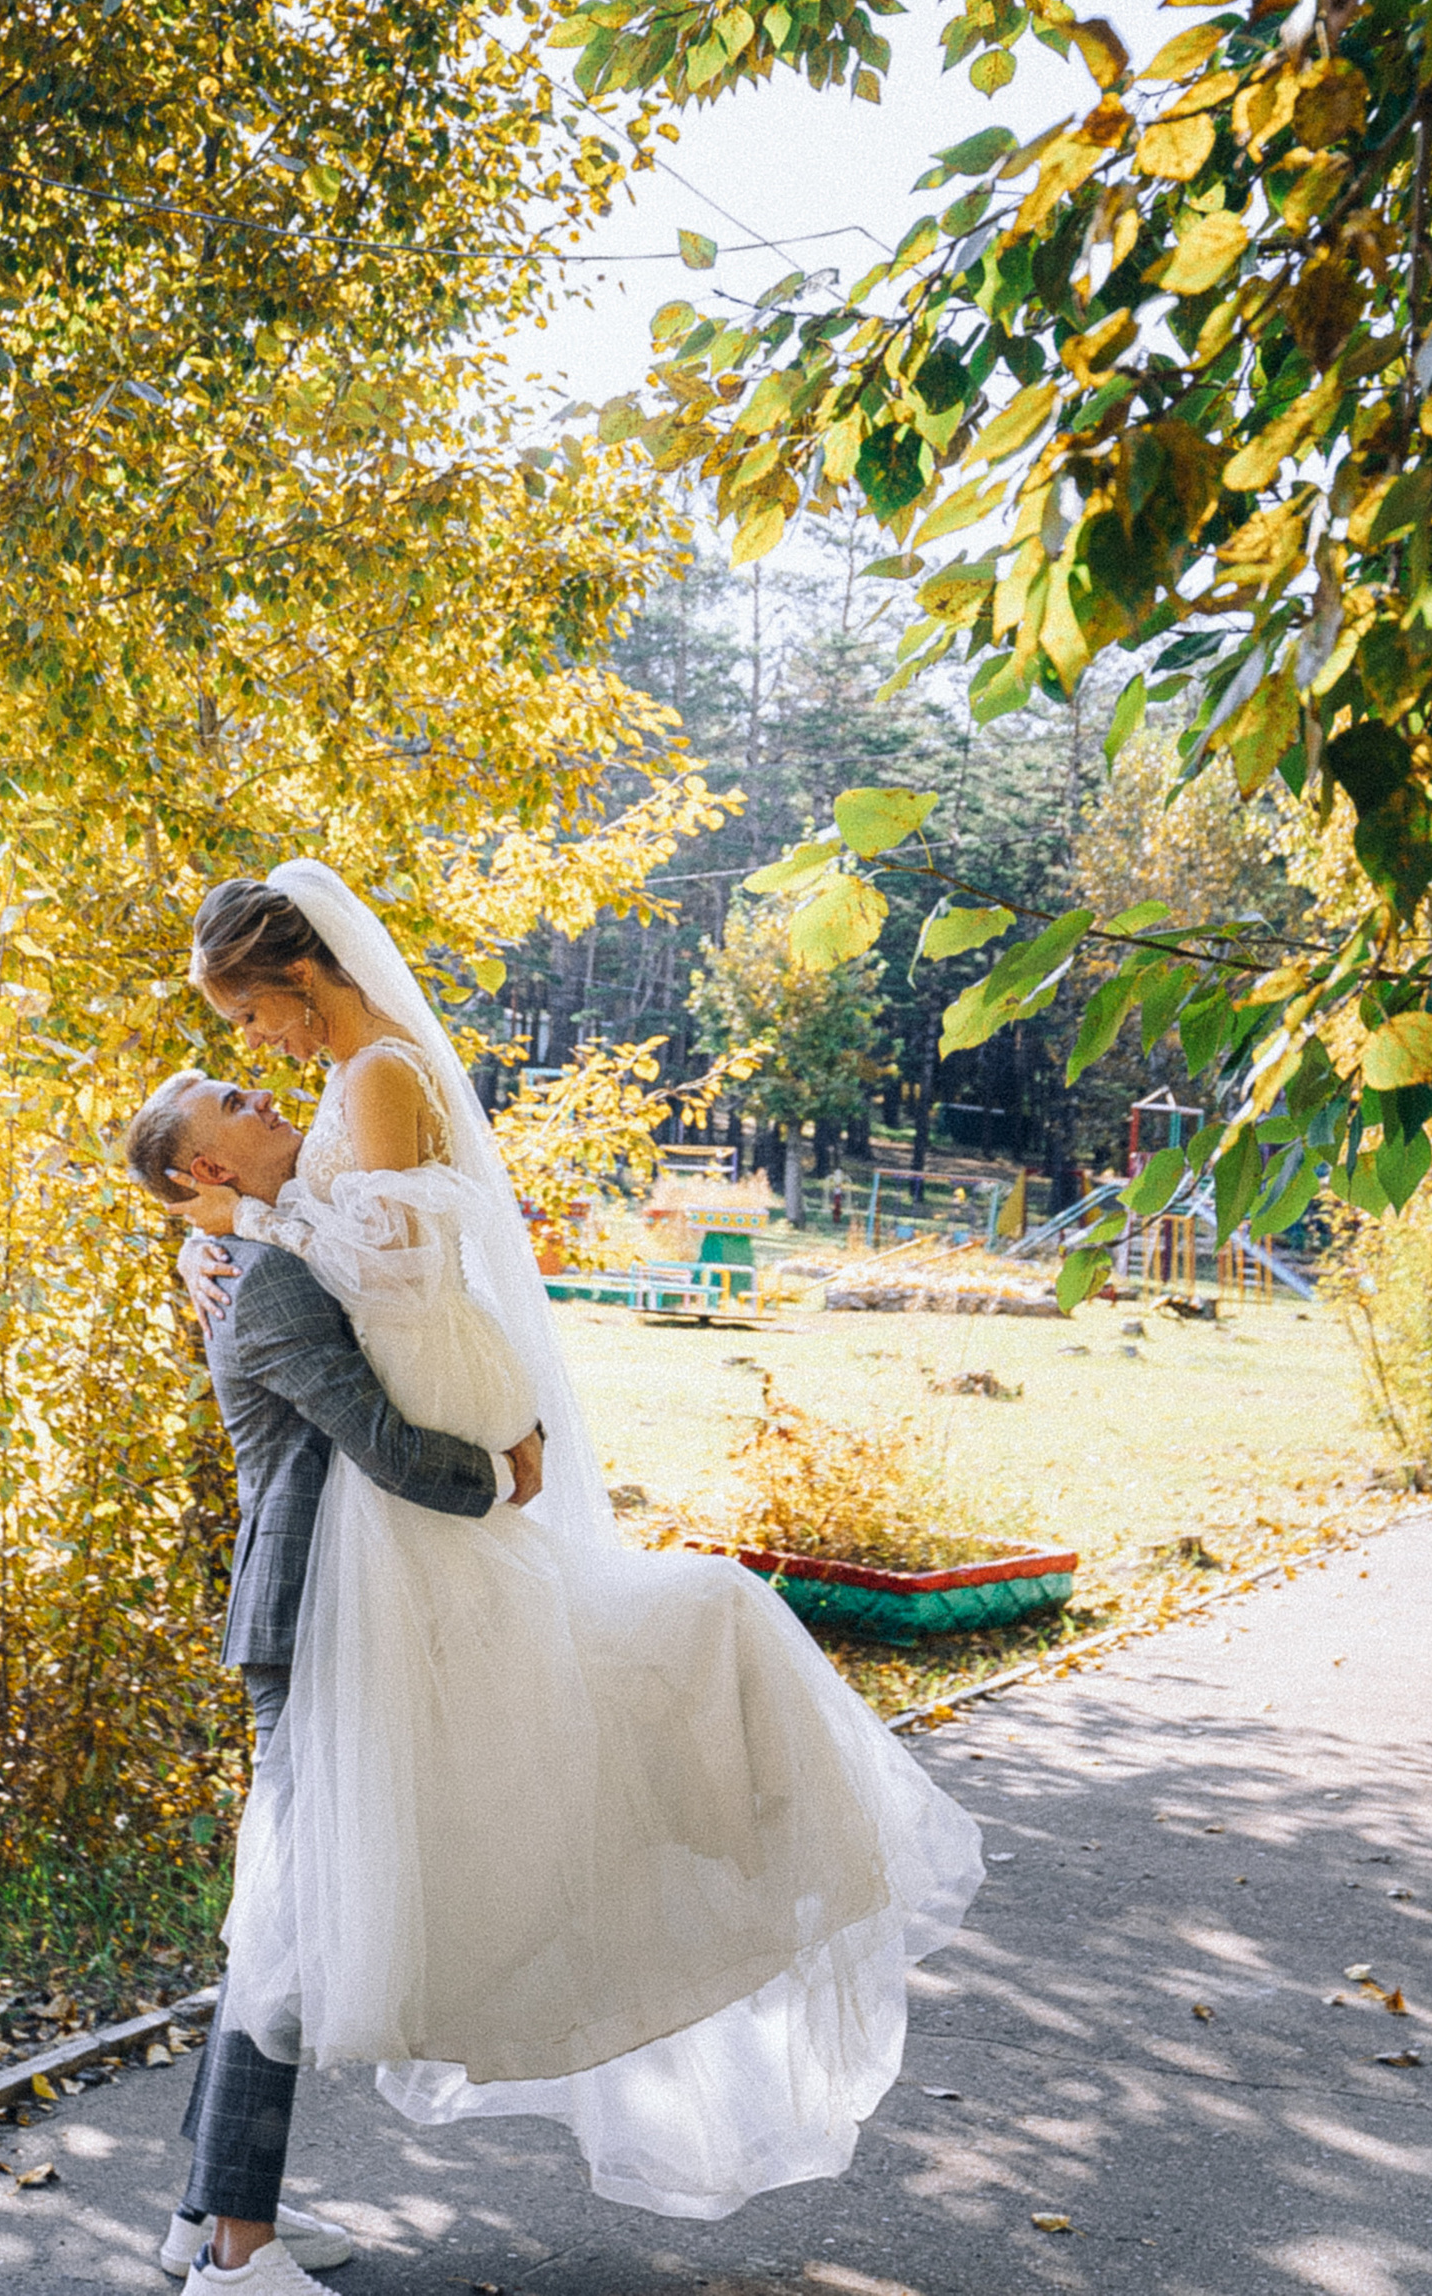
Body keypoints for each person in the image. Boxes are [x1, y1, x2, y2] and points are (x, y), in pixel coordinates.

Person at [139, 858, 986, 2227]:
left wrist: (251, 1229)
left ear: (295, 977)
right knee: (300, 1899)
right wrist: (247, 1234)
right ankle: (225, 2238)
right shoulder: (338, 1121)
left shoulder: (380, 1085)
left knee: (302, 1897)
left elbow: (399, 1279)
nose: (257, 1054)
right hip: (371, 1523)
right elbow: (342, 1289)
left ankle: (220, 2232)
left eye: (248, 1026)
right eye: (239, 1062)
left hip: (410, 1492)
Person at [123, 1067, 544, 2296]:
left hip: (324, 1612)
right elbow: (379, 1441)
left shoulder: (257, 1245)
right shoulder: (265, 1287)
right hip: (308, 1617)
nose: (266, 1101)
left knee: (280, 1916)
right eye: (237, 1109)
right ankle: (239, 2260)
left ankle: (207, 2213)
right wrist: (509, 1474)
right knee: (289, 1928)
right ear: (206, 1173)